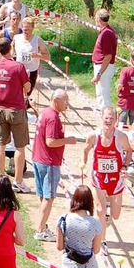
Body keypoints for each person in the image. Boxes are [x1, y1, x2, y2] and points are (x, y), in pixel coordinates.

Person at [32, 89, 77, 242]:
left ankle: (42, 225)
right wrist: (68, 140)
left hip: (38, 158)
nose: (67, 105)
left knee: (43, 196)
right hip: (49, 162)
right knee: (49, 197)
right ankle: (40, 230)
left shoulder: (44, 113)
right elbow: (50, 142)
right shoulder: (52, 117)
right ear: (56, 100)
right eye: (65, 101)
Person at [0, 37, 31, 193]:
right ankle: (18, 181)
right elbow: (27, 87)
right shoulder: (18, 67)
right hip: (16, 110)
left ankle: (1, 178)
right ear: (11, 49)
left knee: (1, 144)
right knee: (20, 146)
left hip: (0, 108)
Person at [82, 106, 132, 229]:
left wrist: (125, 166)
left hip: (116, 178)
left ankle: (108, 207)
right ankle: (101, 240)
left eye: (112, 118)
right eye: (106, 118)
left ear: (116, 120)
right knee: (100, 210)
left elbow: (129, 151)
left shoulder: (121, 137)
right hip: (98, 176)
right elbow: (85, 150)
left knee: (115, 215)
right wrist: (84, 165)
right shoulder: (93, 135)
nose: (108, 121)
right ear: (101, 118)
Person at [12, 17, 50, 110]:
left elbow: (48, 57)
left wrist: (37, 55)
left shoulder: (38, 40)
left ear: (33, 28)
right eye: (25, 29)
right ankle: (20, 111)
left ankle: (24, 108)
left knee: (27, 92)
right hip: (18, 70)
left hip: (32, 71)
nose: (26, 31)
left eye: (29, 29)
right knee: (18, 93)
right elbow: (11, 50)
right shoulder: (16, 38)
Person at [91, 8, 118, 109]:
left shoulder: (107, 33)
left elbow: (108, 56)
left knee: (103, 93)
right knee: (100, 93)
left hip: (103, 66)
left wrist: (99, 73)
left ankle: (106, 114)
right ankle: (104, 113)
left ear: (99, 19)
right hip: (102, 66)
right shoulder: (106, 31)